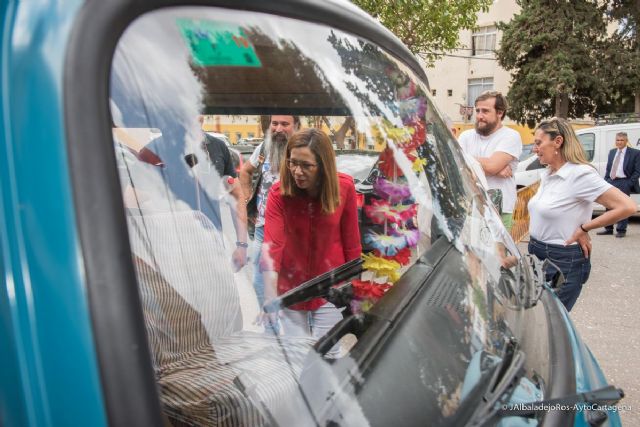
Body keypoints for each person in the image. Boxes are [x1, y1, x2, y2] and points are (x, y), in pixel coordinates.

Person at [261, 128, 362, 354]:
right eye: (293, 162)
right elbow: (271, 249)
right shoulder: (278, 194)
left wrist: (354, 290)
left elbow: (352, 244)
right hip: (291, 288)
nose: (297, 171)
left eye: (306, 165)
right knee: (297, 354)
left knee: (329, 353)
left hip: (331, 287)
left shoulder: (344, 187)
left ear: (323, 165)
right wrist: (270, 300)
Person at [527, 118, 636, 311]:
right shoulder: (549, 174)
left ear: (558, 142)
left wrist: (585, 228)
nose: (535, 149)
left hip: (561, 261)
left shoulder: (580, 174)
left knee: (548, 325)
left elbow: (627, 206)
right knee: (534, 320)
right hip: (537, 255)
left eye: (538, 143)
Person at [239, 115, 300, 307]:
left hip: (291, 230)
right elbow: (245, 172)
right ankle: (271, 327)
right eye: (275, 124)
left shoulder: (303, 149)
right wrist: (250, 199)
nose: (279, 129)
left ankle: (290, 324)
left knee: (291, 281)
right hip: (261, 228)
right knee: (258, 281)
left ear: (296, 126)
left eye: (285, 124)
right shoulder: (264, 147)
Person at [458, 91, 522, 230]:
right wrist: (493, 168)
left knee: (498, 251)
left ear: (500, 113)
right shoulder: (466, 136)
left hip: (499, 209)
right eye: (478, 110)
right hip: (470, 206)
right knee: (472, 251)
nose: (479, 116)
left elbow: (492, 166)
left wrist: (466, 159)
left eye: (485, 111)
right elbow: (457, 166)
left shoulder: (511, 136)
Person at [596, 132, 640, 238]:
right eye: (617, 140)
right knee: (609, 205)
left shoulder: (635, 153)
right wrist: (606, 180)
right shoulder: (612, 152)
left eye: (621, 140)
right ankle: (608, 228)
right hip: (611, 181)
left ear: (626, 141)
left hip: (625, 181)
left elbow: (638, 171)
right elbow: (608, 168)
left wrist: (629, 183)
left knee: (622, 206)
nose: (619, 142)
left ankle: (621, 229)